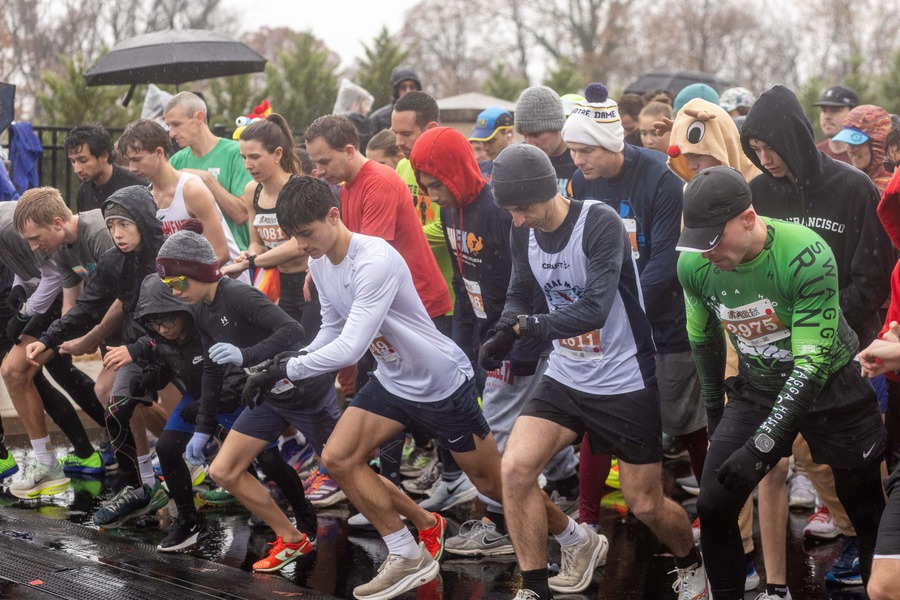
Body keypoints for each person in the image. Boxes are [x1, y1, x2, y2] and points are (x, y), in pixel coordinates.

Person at [269, 175, 504, 598]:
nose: (301, 245)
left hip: (439, 382)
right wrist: (283, 365)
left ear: (333, 216)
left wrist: (290, 369)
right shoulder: (320, 263)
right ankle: (406, 553)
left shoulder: (374, 259)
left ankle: (574, 536)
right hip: (394, 379)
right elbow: (331, 329)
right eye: (294, 237)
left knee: (495, 485)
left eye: (306, 233)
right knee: (338, 457)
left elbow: (351, 347)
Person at [492, 144, 707, 600]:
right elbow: (520, 291)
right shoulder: (522, 230)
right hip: (566, 374)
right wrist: (504, 331)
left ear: (545, 191)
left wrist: (530, 327)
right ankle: (539, 582)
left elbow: (595, 308)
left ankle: (691, 561)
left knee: (644, 502)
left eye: (522, 209)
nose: (518, 220)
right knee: (514, 469)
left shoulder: (598, 222)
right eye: (510, 212)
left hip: (623, 378)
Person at [677, 166, 886, 599]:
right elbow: (704, 341)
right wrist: (715, 415)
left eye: (713, 240)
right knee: (714, 504)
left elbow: (809, 368)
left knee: (865, 510)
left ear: (748, 218)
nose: (706, 253)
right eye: (697, 242)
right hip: (759, 385)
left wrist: (762, 447)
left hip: (830, 381)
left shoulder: (805, 253)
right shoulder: (693, 264)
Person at [409, 126, 579, 556]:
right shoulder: (451, 213)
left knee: (499, 427)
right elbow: (462, 280)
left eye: (436, 185)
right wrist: (463, 342)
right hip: (488, 335)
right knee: (533, 420)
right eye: (425, 187)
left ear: (456, 173)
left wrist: (523, 347)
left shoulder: (500, 211)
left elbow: (533, 283)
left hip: (521, 336)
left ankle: (498, 522)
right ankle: (568, 482)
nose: (432, 195)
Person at [564, 83, 709, 544]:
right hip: (608, 324)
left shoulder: (661, 178)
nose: (578, 161)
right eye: (573, 151)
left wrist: (614, 308)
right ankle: (588, 524)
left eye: (586, 150)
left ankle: (713, 514)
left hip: (665, 324)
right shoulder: (581, 182)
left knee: (689, 424)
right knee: (598, 421)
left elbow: (667, 260)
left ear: (611, 143)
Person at [154, 221, 339, 569]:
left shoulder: (237, 294)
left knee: (344, 467)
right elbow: (212, 369)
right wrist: (204, 428)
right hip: (267, 393)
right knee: (226, 469)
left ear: (200, 272)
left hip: (303, 389)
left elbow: (292, 330)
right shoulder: (200, 308)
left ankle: (415, 528)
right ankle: (293, 537)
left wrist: (246, 355)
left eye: (178, 282)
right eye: (168, 285)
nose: (175, 292)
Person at [24, 186, 169, 527]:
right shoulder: (115, 259)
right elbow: (88, 306)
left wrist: (104, 341)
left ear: (143, 222)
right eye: (112, 225)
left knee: (202, 418)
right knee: (114, 400)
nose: (117, 233)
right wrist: (48, 339)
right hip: (139, 346)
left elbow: (184, 314)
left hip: (179, 347)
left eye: (124, 225)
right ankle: (142, 485)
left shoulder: (167, 256)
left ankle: (209, 468)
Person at [221, 114, 322, 345]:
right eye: (244, 157)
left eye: (255, 157)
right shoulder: (252, 191)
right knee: (284, 352)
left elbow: (299, 245)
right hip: (282, 285)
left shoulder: (298, 188)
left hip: (312, 285)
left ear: (277, 154)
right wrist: (249, 254)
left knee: (309, 354)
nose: (248, 165)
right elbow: (257, 242)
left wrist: (251, 262)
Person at [116, 119, 247, 282]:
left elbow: (220, 254)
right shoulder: (147, 197)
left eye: (137, 159)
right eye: (129, 161)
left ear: (159, 152)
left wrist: (176, 284)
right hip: (184, 285)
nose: (132, 168)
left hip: (225, 283)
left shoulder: (191, 189)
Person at [164, 91, 251, 250]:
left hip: (235, 256)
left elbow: (241, 215)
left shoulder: (236, 153)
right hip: (189, 255)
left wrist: (206, 179)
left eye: (176, 124)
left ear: (199, 117)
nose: (171, 133)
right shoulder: (176, 160)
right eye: (168, 126)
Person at [65, 124, 146, 213]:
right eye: (73, 161)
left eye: (83, 160)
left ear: (104, 155)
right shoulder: (83, 192)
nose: (77, 169)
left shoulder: (136, 188)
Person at [515, 86, 577, 196]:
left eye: (536, 134)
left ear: (557, 125)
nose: (530, 144)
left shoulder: (582, 160)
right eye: (525, 135)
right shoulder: (520, 161)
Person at [830, 104, 894, 193]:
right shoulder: (852, 182)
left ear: (878, 144)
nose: (851, 150)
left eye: (857, 143)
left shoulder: (893, 188)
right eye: (848, 143)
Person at [812, 85, 859, 163]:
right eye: (824, 110)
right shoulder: (814, 155)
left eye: (835, 110)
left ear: (853, 113)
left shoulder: (864, 156)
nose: (827, 116)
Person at [369, 66, 423, 134]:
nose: (408, 91)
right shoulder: (378, 120)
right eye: (403, 87)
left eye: (412, 87)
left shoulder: (426, 116)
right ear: (396, 91)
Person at [469, 107, 515, 172]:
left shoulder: (524, 166)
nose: (485, 148)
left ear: (509, 133)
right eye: (483, 141)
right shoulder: (482, 168)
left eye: (490, 141)